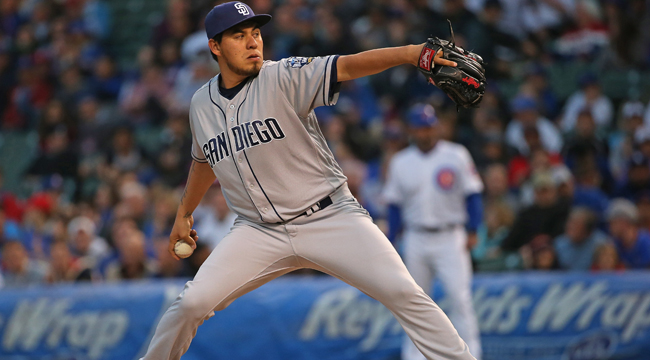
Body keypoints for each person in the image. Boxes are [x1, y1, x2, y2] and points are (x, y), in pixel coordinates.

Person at [140, 3, 475, 360]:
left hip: (330, 217)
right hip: (257, 231)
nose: (253, 42)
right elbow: (205, 160)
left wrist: (412, 54)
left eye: (256, 33)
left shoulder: (283, 75)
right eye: (239, 36)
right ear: (215, 47)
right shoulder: (200, 104)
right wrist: (184, 213)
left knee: (405, 294)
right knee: (191, 303)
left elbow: (346, 65)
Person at [383, 104, 483, 359]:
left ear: (435, 127)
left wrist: (473, 228)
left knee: (460, 299)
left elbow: (472, 194)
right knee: (414, 303)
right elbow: (394, 205)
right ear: (411, 131)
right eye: (419, 128)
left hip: (451, 235)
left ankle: (471, 355)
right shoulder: (401, 161)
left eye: (428, 127)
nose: (424, 133)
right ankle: (415, 356)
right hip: (415, 237)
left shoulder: (456, 155)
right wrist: (391, 240)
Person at [606, 198, 650, 269]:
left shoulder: (646, 242)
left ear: (623, 222)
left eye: (613, 222)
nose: (609, 226)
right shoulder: (615, 243)